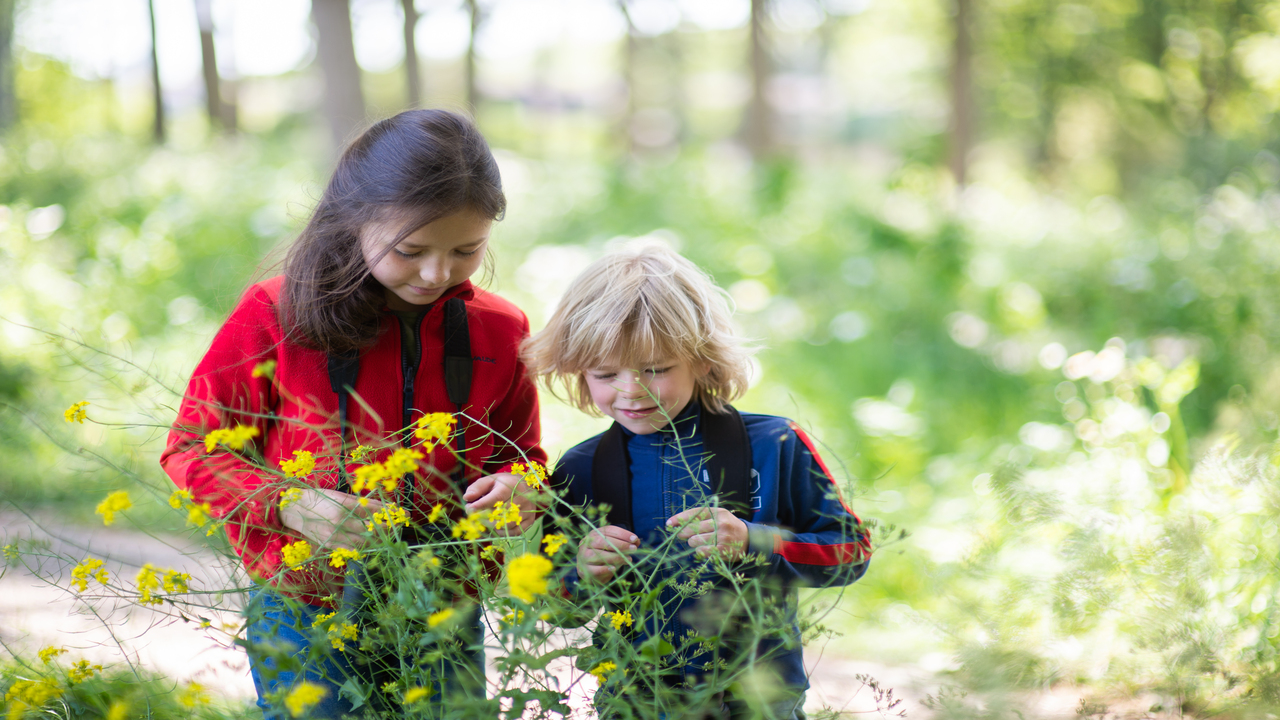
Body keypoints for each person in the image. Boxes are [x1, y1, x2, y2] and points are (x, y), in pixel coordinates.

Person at [159, 109, 547, 719]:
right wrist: (292, 503)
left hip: (445, 605)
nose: (437, 273)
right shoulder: (274, 313)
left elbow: (523, 459)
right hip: (304, 609)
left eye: (466, 251)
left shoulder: (501, 328)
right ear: (353, 220)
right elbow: (190, 451)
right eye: (410, 250)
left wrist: (518, 488)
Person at [522, 242, 871, 720]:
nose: (632, 390)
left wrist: (754, 540)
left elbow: (850, 552)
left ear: (702, 358)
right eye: (605, 373)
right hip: (634, 700)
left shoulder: (774, 444)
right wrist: (582, 573)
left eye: (656, 369)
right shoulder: (581, 469)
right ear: (579, 373)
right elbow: (555, 608)